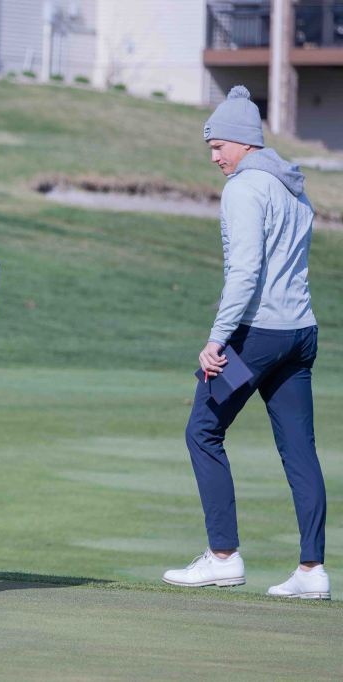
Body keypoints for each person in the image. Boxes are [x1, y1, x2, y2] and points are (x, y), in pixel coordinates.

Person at [162, 86, 329, 599]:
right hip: (300, 334)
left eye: (219, 147)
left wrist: (216, 340)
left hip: (255, 336)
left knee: (202, 430)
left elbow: (245, 272)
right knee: (300, 450)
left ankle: (223, 557)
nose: (215, 157)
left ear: (243, 141)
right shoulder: (293, 188)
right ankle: (311, 570)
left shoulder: (244, 188)